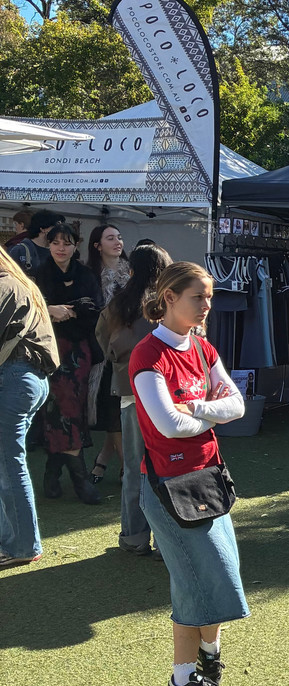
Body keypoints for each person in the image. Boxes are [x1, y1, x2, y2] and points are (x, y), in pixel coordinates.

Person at [129, 262, 247, 686]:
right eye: (198, 297)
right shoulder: (148, 355)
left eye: (209, 297)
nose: (206, 305)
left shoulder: (203, 348)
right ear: (169, 298)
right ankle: (183, 680)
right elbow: (169, 424)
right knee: (196, 586)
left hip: (209, 479)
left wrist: (194, 408)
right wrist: (206, 409)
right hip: (169, 488)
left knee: (221, 578)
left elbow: (237, 405)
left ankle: (208, 656)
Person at [96, 243, 172, 557]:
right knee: (170, 467)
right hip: (170, 393)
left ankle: (134, 536)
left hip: (130, 390)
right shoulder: (170, 303)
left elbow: (104, 343)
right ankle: (170, 536)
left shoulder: (116, 306)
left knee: (135, 469)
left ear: (131, 270)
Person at [32, 223, 102, 505]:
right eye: (55, 242)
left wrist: (68, 312)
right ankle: (77, 477)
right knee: (57, 410)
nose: (61, 248)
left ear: (75, 245)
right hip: (48, 351)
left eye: (66, 242)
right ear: (48, 245)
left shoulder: (85, 274)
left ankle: (55, 469)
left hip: (79, 351)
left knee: (73, 408)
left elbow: (93, 309)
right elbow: (32, 310)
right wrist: (50, 310)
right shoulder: (38, 274)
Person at [0, 245, 59, 569]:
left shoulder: (6, 284)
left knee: (9, 467)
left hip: (15, 377)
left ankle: (22, 545)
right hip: (23, 378)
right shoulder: (16, 282)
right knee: (7, 466)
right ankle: (15, 542)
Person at [87, 224, 130, 482]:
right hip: (101, 350)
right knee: (111, 409)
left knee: (118, 410)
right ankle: (126, 466)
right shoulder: (90, 274)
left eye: (120, 237)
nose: (118, 242)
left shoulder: (131, 273)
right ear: (97, 245)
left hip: (127, 348)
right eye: (110, 238)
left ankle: (104, 461)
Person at [7, 210, 65, 274]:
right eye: (54, 228)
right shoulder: (20, 250)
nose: (58, 232)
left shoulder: (57, 251)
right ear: (43, 229)